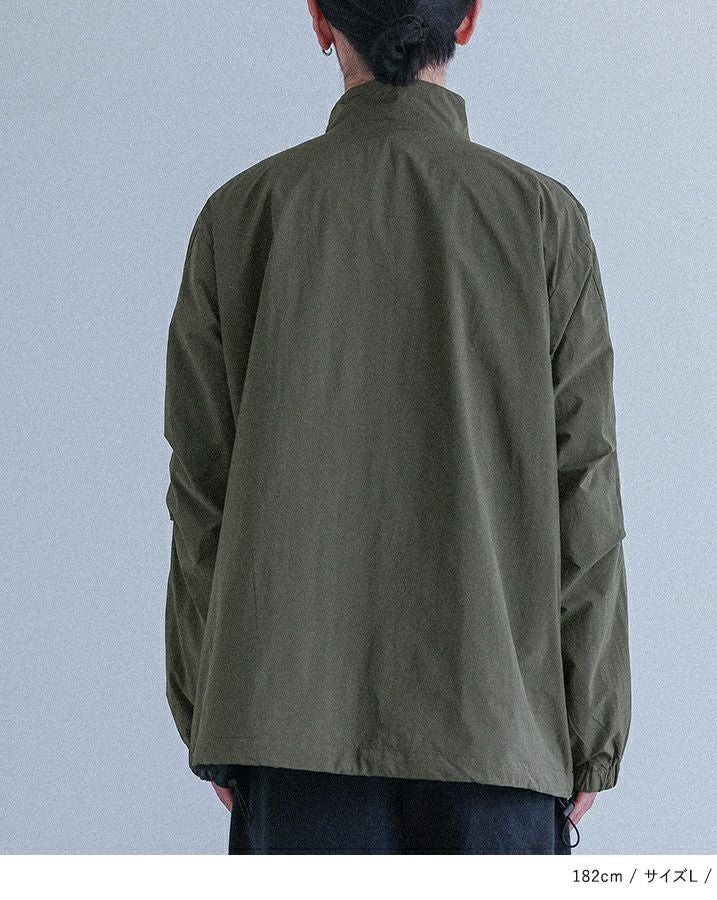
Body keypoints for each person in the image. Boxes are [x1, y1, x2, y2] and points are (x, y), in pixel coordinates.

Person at [163, 0, 632, 855]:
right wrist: (592, 729)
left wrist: (212, 710)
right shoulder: (542, 218)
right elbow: (585, 487)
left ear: (319, 19)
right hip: (499, 733)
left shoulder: (242, 215)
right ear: (470, 18)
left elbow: (201, 493)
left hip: (285, 726)